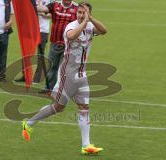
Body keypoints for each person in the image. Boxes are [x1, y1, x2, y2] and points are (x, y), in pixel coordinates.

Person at [22, 2, 107, 155]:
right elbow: (72, 36)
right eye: (79, 12)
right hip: (67, 75)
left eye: (84, 13)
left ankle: (86, 145)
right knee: (58, 107)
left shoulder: (89, 26)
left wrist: (91, 19)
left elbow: (104, 31)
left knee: (84, 108)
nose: (81, 15)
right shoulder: (71, 26)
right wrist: (84, 22)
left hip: (81, 75)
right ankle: (28, 123)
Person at [36, 0, 78, 93]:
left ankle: (66, 90)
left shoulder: (77, 8)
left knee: (67, 68)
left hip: (70, 44)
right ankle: (49, 88)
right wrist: (29, 4)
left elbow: (82, 21)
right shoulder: (54, 5)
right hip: (55, 42)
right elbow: (42, 9)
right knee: (52, 66)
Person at [14, 0, 52, 83]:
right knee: (27, 53)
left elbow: (51, 14)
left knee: (40, 55)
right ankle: (25, 75)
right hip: (30, 29)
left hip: (43, 30)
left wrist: (42, 14)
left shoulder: (50, 1)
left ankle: (37, 78)